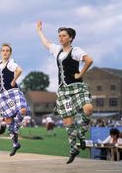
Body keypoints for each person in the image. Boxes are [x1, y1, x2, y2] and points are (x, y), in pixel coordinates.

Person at [36, 21, 93, 164]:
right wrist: (39, 31)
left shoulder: (76, 51)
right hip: (63, 90)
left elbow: (89, 60)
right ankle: (73, 149)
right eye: (59, 36)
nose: (60, 38)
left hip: (77, 87)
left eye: (63, 36)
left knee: (88, 108)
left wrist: (80, 74)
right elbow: (47, 43)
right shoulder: (57, 50)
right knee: (68, 120)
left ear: (71, 38)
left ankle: (81, 132)